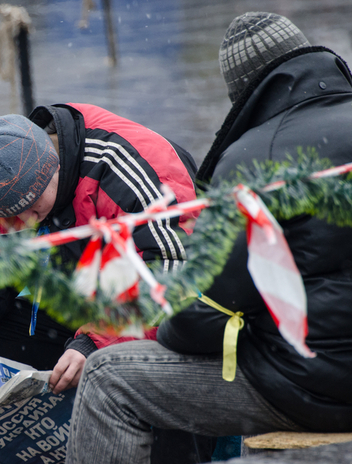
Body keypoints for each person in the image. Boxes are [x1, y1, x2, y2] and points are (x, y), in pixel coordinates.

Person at [66, 12, 352, 463]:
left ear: (243, 92)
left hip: (314, 387)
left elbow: (209, 311)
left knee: (108, 379)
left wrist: (166, 333)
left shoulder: (252, 158)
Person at [0, 103, 202, 463]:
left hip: (166, 307)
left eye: (32, 207)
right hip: (76, 296)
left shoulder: (123, 165)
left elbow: (171, 273)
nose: (25, 223)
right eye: (10, 217)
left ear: (54, 166)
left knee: (148, 371)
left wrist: (95, 343)